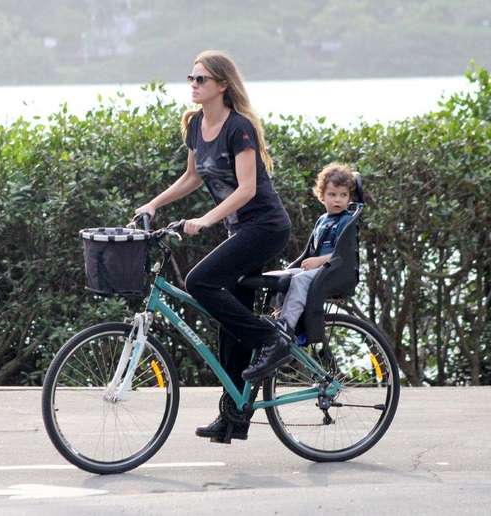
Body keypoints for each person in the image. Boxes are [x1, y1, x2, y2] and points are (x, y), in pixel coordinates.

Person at [134, 50, 291, 442]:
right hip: (239, 230)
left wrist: (206, 220)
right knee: (230, 326)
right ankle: (234, 416)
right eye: (190, 78)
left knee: (199, 281)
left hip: (265, 227)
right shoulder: (195, 125)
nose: (193, 85)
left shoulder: (239, 128)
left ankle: (272, 341)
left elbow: (248, 188)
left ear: (222, 85)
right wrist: (154, 203)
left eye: (201, 79)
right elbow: (191, 177)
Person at [255, 163, 356, 347]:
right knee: (286, 277)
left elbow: (343, 254)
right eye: (332, 194)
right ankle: (279, 315)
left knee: (300, 281)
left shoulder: (346, 221)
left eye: (343, 195)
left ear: (349, 198)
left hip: (333, 270)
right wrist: (297, 267)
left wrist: (318, 261)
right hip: (319, 269)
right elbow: (309, 251)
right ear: (322, 196)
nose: (338, 200)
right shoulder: (323, 220)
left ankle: (286, 327)